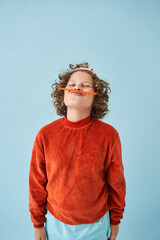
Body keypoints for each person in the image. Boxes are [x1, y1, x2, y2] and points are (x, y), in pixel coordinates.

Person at [29, 62, 126, 240]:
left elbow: (116, 182)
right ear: (63, 94)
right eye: (72, 84)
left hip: (96, 224)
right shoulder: (45, 135)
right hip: (56, 224)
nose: (77, 87)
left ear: (95, 97)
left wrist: (115, 220)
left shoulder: (109, 135)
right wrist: (38, 224)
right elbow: (37, 184)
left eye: (85, 85)